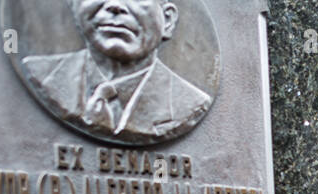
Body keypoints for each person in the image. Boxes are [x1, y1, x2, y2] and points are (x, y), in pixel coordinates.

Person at [21, 0, 212, 144]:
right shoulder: (38, 74)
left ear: (168, 20)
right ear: (74, 5)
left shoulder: (191, 102)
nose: (115, 5)